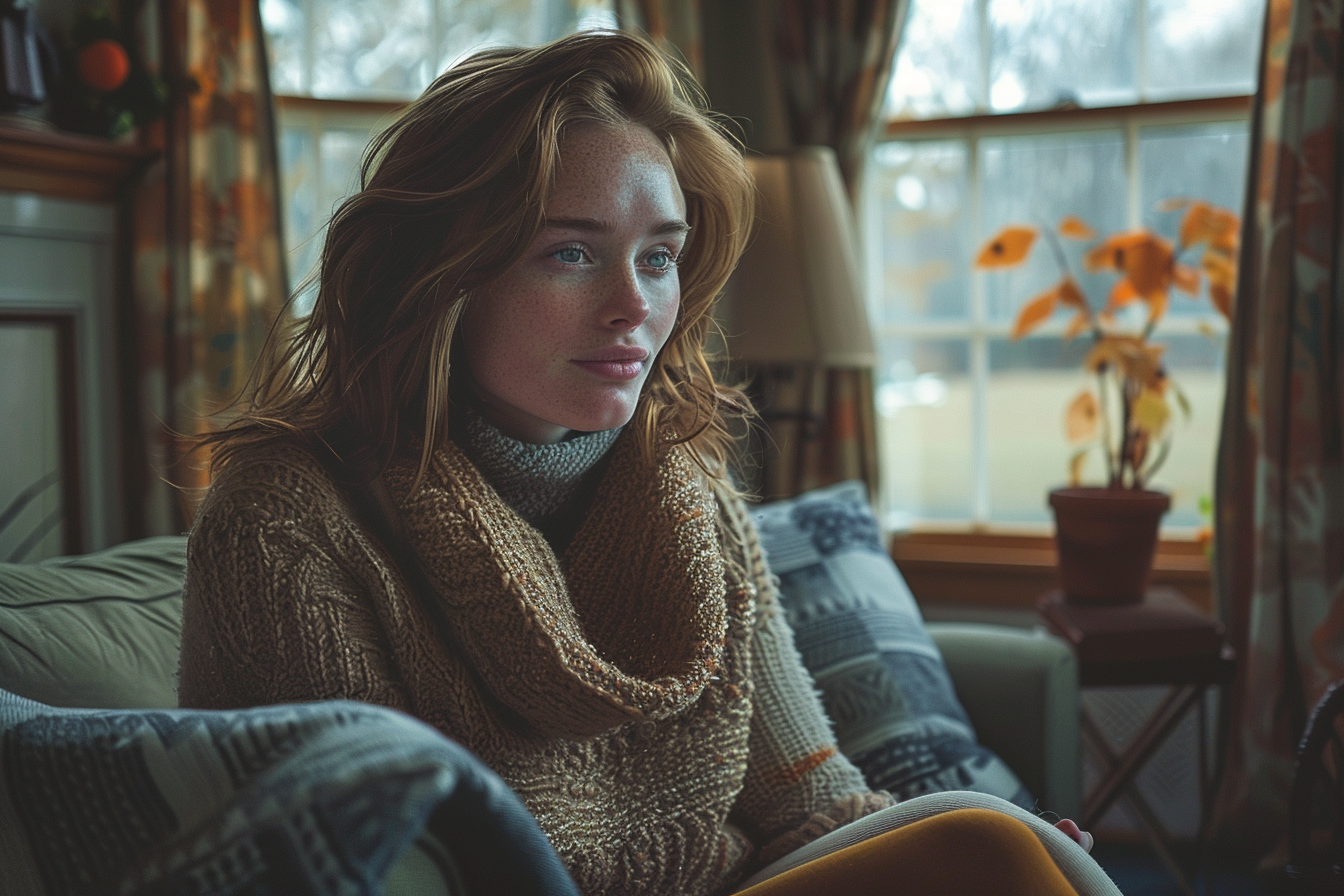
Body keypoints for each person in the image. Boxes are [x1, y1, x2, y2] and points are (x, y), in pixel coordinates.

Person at [178, 30, 1108, 896]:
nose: (633, 306)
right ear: (442, 276)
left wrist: (950, 855)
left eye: (658, 258)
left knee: (1012, 849)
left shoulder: (689, 498)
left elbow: (811, 806)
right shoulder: (286, 523)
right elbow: (395, 866)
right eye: (572, 252)